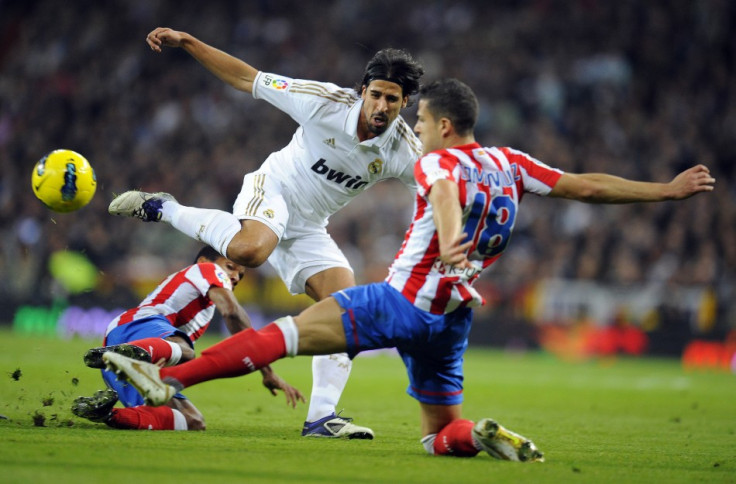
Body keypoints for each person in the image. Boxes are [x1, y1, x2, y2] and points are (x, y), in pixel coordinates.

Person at [102, 78, 715, 458]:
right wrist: (664, 190)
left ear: (443, 126)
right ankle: (471, 436)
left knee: (279, 337)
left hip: (400, 304)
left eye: (420, 121)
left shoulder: (432, 163)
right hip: (452, 322)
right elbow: (587, 187)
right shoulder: (512, 163)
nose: (412, 129)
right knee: (436, 432)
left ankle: (170, 376)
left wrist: (448, 234)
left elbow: (444, 191)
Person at [107, 27, 425, 439]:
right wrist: (187, 43)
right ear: (362, 90)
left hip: (310, 227)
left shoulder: (405, 150)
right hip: (273, 190)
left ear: (405, 103)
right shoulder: (322, 102)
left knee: (349, 312)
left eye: (392, 99)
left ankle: (321, 418)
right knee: (251, 250)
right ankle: (164, 207)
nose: (381, 106)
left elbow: (444, 190)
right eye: (376, 94)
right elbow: (247, 78)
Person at [72, 245, 304, 431]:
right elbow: (233, 314)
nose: (234, 277)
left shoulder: (205, 306)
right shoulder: (207, 271)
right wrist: (267, 371)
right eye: (231, 267)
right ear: (204, 261)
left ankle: (107, 413)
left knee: (192, 421)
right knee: (186, 350)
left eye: (240, 276)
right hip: (136, 326)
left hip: (129, 351)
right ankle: (126, 354)